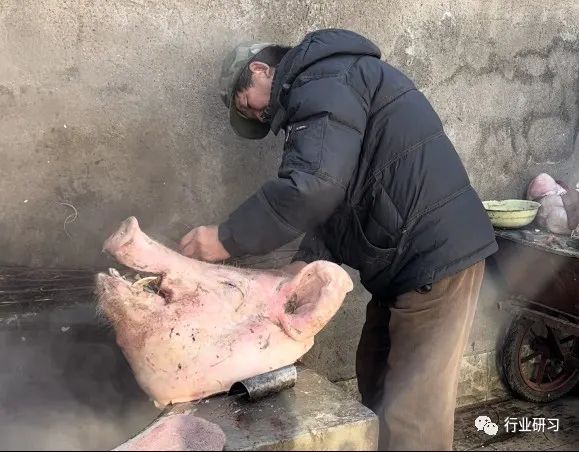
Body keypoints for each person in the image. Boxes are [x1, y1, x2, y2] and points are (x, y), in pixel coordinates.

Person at [179, 28, 498, 450]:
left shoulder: (326, 79)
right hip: (404, 262)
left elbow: (313, 188)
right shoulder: (324, 87)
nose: (258, 117)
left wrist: (225, 238)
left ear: (260, 69)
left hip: (435, 257)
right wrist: (305, 263)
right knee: (374, 373)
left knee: (413, 414)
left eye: (246, 105)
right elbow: (336, 198)